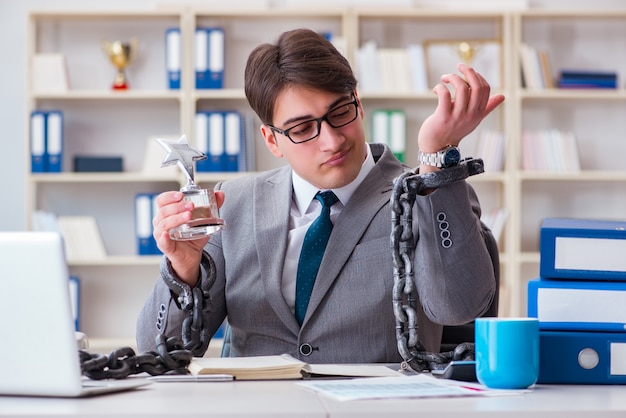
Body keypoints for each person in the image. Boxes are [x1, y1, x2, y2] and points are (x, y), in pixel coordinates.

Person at [137, 28, 504, 363]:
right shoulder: (233, 203)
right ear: (271, 140)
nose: (332, 141)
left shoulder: (427, 192)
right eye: (302, 128)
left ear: (358, 102)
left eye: (340, 112)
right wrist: (184, 271)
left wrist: (438, 159)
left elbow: (460, 309)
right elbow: (161, 354)